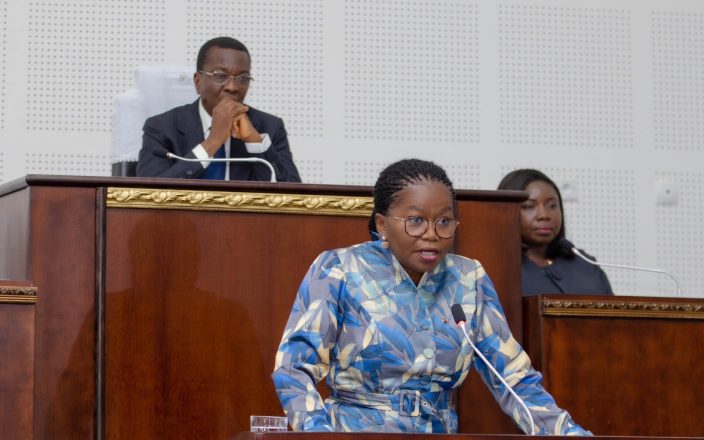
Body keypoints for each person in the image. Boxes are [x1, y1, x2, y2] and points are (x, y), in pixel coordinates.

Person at [272, 159, 590, 434]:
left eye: (444, 221)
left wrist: (571, 436)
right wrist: (319, 438)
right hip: (354, 436)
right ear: (382, 224)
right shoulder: (340, 269)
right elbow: (293, 369)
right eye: (416, 221)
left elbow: (513, 380)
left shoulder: (468, 278)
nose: (431, 234)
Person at [136, 36, 301, 182]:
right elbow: (149, 195)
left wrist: (254, 141)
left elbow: (295, 199)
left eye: (243, 78)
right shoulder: (161, 127)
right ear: (198, 82)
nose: (233, 87)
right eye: (220, 76)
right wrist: (213, 142)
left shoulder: (269, 127)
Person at [498, 169, 613, 296]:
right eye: (529, 206)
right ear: (506, 211)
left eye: (552, 206)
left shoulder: (585, 264)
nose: (544, 215)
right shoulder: (497, 268)